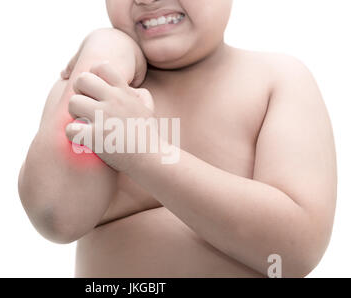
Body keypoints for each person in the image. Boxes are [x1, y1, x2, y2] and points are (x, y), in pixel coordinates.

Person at [18, 0, 337, 277]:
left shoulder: (276, 81)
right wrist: (102, 54)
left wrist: (144, 155)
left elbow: (292, 254)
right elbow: (56, 216)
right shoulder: (96, 94)